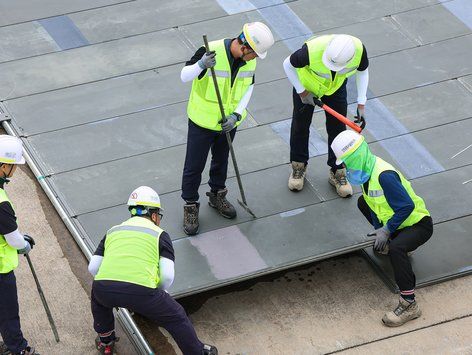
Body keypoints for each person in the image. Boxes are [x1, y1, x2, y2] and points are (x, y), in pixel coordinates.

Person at [88, 186, 217, 354]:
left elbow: (93, 267)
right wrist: (154, 298)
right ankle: (197, 352)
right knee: (176, 316)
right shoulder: (159, 234)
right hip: (142, 292)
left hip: (104, 288)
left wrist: (114, 287)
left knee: (98, 300)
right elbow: (167, 277)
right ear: (154, 214)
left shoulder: (112, 231)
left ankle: (105, 341)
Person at [180, 22, 275, 235]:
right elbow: (184, 76)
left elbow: (248, 87)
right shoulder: (209, 50)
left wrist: (237, 115)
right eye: (255, 55)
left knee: (222, 159)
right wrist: (201, 66)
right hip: (201, 122)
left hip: (228, 123)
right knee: (194, 165)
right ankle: (190, 205)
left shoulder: (248, 62)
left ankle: (217, 195)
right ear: (245, 47)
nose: (256, 59)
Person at [331, 130, 433, 326]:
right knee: (362, 202)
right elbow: (373, 203)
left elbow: (406, 206)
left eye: (345, 161)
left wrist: (387, 231)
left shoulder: (383, 175)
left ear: (355, 157)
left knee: (397, 249)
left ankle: (409, 304)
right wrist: (381, 229)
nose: (344, 166)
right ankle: (395, 241)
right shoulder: (366, 171)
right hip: (399, 225)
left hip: (418, 224)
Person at [283, 34, 369, 197]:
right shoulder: (310, 51)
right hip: (307, 87)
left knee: (338, 130)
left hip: (335, 88)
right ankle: (298, 167)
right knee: (300, 126)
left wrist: (361, 104)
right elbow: (287, 64)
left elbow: (363, 72)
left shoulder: (358, 50)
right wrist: (302, 91)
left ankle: (338, 172)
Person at [0, 135, 39, 355]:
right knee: (7, 311)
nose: (15, 170)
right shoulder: (1, 203)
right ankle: (18, 349)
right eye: (13, 166)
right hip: (0, 269)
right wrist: (23, 243)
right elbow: (13, 240)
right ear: (4, 166)